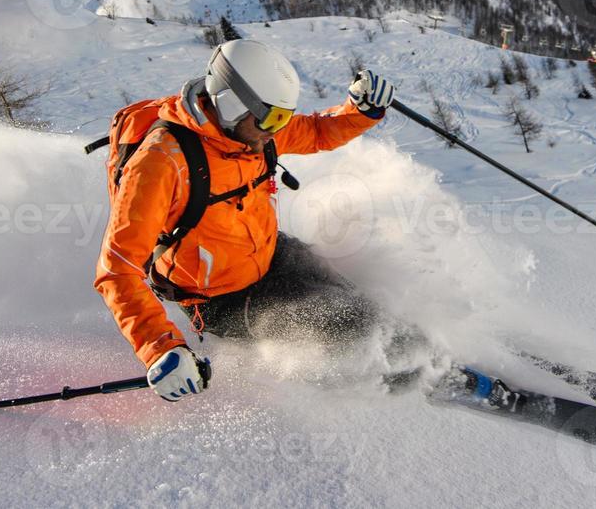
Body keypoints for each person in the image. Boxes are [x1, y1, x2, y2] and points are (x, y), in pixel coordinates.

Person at [94, 39, 395, 402]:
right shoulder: (162, 163)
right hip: (222, 299)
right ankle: (408, 384)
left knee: (360, 299)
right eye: (273, 118)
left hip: (271, 254)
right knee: (347, 326)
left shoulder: (251, 130)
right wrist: (159, 348)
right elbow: (117, 271)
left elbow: (316, 132)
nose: (278, 129)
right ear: (231, 103)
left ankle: (414, 351)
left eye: (283, 117)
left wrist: (362, 111)